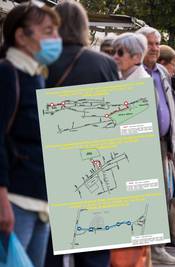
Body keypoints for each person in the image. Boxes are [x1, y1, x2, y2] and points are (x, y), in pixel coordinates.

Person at [45, 1, 119, 266]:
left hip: (48, 161)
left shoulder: (41, 61)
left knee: (50, 239)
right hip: (92, 163)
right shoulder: (103, 64)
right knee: (94, 238)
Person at [0, 3, 61, 267]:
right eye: (47, 31)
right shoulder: (6, 73)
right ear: (21, 36)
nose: (55, 39)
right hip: (15, 198)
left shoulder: (36, 76)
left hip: (40, 198)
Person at [136, 25, 175, 265]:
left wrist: (172, 144)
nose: (154, 48)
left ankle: (157, 248)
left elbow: (169, 107)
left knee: (162, 195)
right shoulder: (132, 71)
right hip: (138, 143)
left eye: (156, 43)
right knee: (141, 197)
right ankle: (139, 250)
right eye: (149, 43)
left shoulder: (162, 73)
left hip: (162, 144)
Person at [109, 32, 152, 267]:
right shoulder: (119, 79)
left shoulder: (141, 83)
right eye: (113, 52)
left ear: (136, 57)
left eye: (120, 52)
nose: (115, 57)